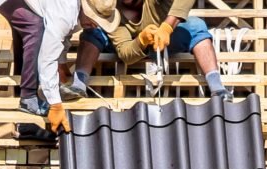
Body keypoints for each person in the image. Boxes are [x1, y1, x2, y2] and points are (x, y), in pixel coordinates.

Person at [0, 0, 118, 132]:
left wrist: (61, 64)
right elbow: (47, 59)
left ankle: (24, 82)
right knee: (34, 27)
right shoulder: (65, 11)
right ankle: (28, 97)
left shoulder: (80, 14)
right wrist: (55, 104)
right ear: (85, 8)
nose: (95, 25)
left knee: (33, 24)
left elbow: (63, 36)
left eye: (99, 22)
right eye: (94, 19)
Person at [63, 0, 231, 101]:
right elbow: (125, 53)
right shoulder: (112, 14)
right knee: (93, 32)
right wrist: (141, 41)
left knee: (196, 26)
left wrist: (167, 26)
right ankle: (79, 84)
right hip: (133, 45)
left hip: (166, 39)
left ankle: (217, 88)